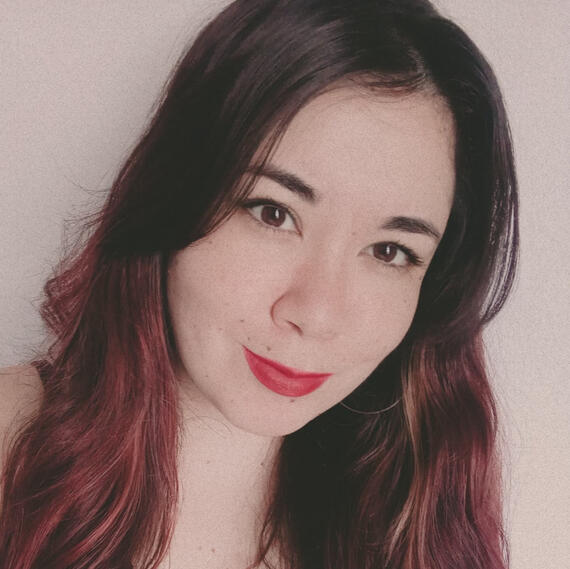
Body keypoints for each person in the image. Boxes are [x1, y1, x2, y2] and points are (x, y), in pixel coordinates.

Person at [0, 0, 519, 568]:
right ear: (177, 188)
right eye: (274, 214)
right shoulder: (12, 449)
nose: (316, 312)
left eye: (389, 251)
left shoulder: (419, 539)